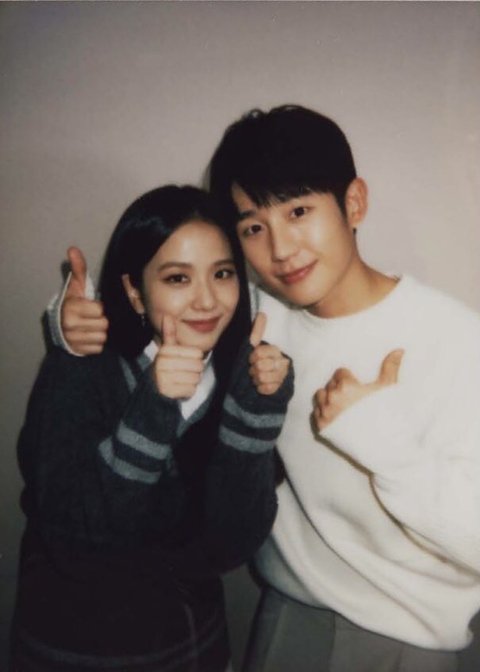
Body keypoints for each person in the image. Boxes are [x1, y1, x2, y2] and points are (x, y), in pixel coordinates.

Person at [45, 106, 480, 672]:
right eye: (253, 226)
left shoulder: (455, 340)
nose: (280, 248)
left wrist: (382, 443)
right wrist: (68, 323)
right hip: (283, 616)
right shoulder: (254, 318)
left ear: (353, 203)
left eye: (299, 211)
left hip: (403, 637)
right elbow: (165, 308)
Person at [12, 184, 294, 672]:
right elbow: (74, 548)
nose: (207, 300)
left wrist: (255, 415)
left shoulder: (239, 373)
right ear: (133, 291)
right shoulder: (82, 369)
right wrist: (154, 406)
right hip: (78, 652)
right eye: (178, 278)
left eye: (222, 273)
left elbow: (232, 546)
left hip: (194, 646)